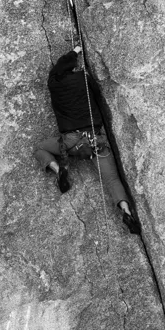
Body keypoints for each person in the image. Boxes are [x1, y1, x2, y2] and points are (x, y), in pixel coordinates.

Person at [34, 49, 140, 234]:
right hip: (94, 140)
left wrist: (71, 55)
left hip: (70, 142)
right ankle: (126, 210)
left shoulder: (53, 84)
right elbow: (96, 91)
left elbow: (58, 69)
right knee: (112, 179)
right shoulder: (83, 78)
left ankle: (59, 170)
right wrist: (77, 54)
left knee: (40, 148)